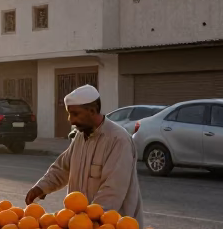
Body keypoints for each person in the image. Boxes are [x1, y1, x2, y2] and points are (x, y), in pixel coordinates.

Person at [25, 84, 144, 220]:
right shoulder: (80, 137)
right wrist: (41, 187)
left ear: (92, 111)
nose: (71, 120)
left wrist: (88, 220)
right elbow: (62, 168)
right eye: (69, 114)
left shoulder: (118, 140)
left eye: (75, 114)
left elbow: (112, 190)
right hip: (81, 225)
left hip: (114, 227)